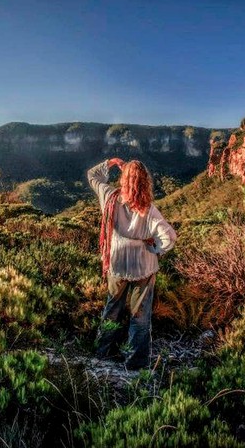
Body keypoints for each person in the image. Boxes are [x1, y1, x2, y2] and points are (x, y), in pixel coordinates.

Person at [87, 157, 177, 370]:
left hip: (116, 263)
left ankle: (102, 352)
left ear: (123, 179)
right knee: (140, 317)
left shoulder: (109, 198)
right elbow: (169, 237)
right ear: (145, 181)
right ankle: (135, 364)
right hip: (143, 267)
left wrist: (110, 162)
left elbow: (93, 176)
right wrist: (154, 249)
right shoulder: (149, 210)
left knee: (112, 309)